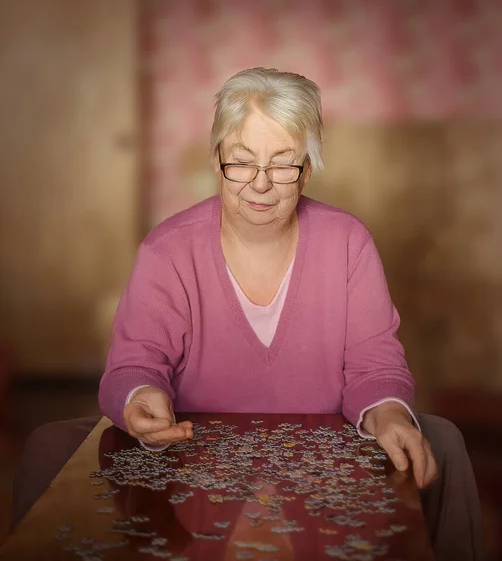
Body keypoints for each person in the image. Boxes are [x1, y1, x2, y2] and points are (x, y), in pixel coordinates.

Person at [12, 68, 482, 561]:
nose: (260, 183)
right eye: (241, 161)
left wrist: (387, 411)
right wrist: (141, 395)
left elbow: (376, 363)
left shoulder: (349, 243)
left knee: (442, 437)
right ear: (217, 160)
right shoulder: (168, 249)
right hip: (192, 460)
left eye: (283, 164)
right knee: (50, 445)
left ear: (308, 167)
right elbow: (135, 362)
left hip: (324, 461)